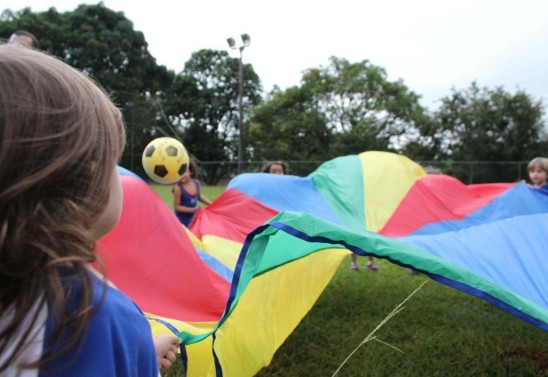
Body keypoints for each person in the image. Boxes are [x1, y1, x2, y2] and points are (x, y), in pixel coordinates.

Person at [0, 45, 180, 375]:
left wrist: (135, 355)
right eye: (114, 161)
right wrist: (131, 354)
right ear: (85, 182)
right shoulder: (96, 317)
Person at [173, 158, 211, 227]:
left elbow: (199, 196)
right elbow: (177, 207)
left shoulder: (196, 183)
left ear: (191, 172)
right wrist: (193, 210)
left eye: (184, 172)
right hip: (181, 221)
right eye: (179, 172)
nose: (181, 175)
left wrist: (210, 203)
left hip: (194, 219)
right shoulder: (178, 188)